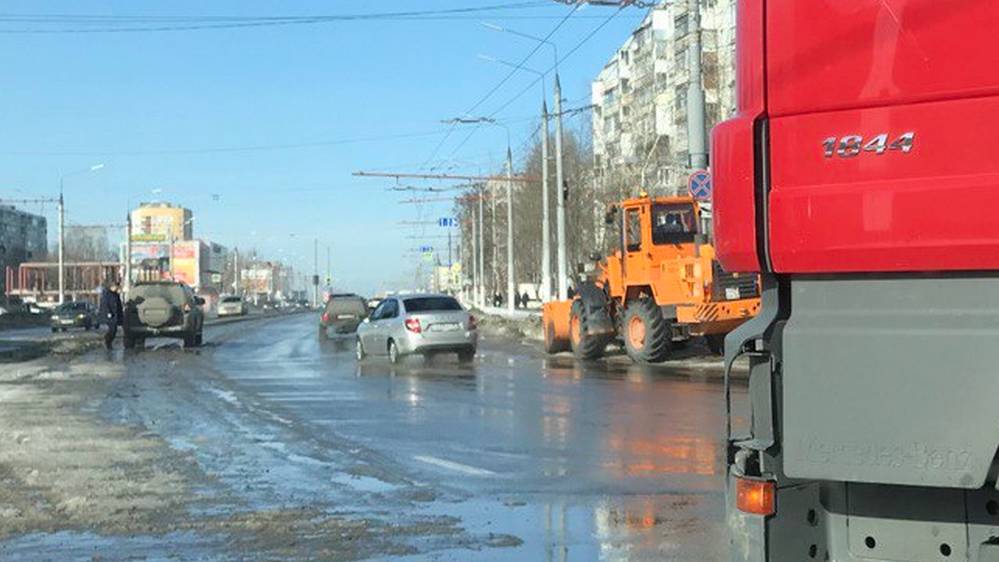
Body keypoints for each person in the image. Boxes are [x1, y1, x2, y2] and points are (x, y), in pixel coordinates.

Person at [98, 280, 123, 350]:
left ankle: (109, 343)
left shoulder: (116, 295)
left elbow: (119, 305)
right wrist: (108, 312)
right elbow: (105, 304)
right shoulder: (106, 294)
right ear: (112, 287)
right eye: (116, 287)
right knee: (112, 329)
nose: (117, 289)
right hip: (109, 315)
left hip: (114, 314)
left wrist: (121, 315)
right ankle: (106, 341)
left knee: (114, 330)